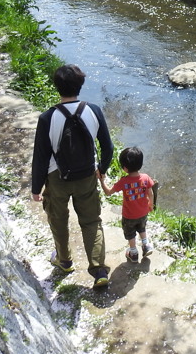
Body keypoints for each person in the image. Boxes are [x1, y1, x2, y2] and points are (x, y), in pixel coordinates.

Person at [31, 64, 114, 288]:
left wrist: (36, 188)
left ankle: (64, 260)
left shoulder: (47, 118)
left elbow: (40, 156)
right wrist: (102, 169)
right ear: (81, 85)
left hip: (56, 178)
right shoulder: (94, 111)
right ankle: (99, 270)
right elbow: (108, 147)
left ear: (56, 87)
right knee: (91, 221)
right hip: (87, 174)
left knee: (58, 220)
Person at [103, 147, 156, 263]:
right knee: (142, 228)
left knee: (130, 233)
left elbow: (108, 192)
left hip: (129, 216)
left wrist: (101, 181)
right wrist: (150, 204)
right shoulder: (146, 178)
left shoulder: (124, 181)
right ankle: (146, 245)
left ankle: (133, 253)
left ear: (125, 168)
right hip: (143, 212)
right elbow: (150, 193)